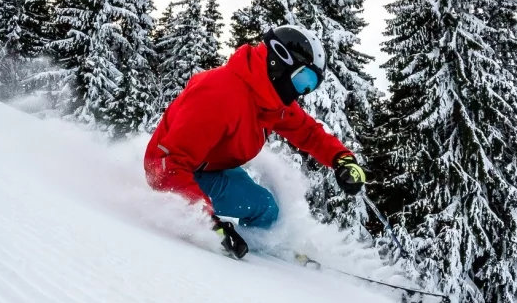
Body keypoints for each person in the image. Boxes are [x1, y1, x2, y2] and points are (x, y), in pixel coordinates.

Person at [144, 25, 367, 258]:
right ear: (279, 60)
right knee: (260, 209)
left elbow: (307, 131)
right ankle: (249, 263)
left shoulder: (269, 100)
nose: (302, 92)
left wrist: (341, 159)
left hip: (211, 167)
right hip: (176, 171)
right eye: (303, 79)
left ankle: (266, 251)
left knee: (266, 209)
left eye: (310, 86)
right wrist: (209, 225)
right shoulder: (218, 93)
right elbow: (168, 165)